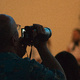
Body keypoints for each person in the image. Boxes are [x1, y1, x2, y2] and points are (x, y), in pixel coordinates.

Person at [0, 14, 66, 80]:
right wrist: (42, 47)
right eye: (17, 28)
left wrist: (17, 55)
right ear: (14, 39)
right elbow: (60, 78)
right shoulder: (28, 68)